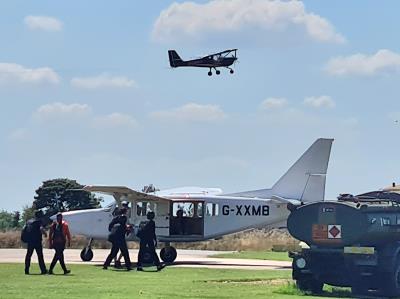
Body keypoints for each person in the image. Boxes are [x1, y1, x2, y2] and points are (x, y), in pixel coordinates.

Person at [24, 210, 48, 275]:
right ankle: (43, 270)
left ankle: (26, 269)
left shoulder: (29, 221)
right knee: (40, 256)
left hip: (30, 241)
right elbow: (41, 228)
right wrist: (45, 234)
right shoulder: (39, 221)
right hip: (37, 241)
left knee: (28, 255)